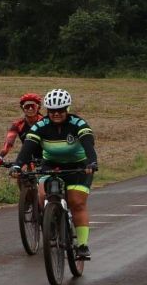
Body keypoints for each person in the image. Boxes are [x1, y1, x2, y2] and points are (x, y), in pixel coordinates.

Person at [8, 89, 98, 260]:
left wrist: (91, 163)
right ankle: (53, 225)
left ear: (67, 109)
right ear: (47, 111)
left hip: (78, 167)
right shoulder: (40, 126)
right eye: (52, 111)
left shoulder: (78, 123)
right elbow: (28, 147)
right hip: (52, 165)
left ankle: (82, 245)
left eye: (61, 110)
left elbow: (88, 145)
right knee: (42, 196)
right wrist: (18, 165)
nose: (56, 114)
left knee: (76, 202)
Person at [0, 93, 44, 167]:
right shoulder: (18, 124)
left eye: (33, 106)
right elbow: (8, 143)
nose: (30, 109)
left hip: (47, 158)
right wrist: (0, 157)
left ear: (38, 107)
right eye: (27, 106)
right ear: (22, 108)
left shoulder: (45, 122)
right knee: (21, 175)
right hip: (27, 158)